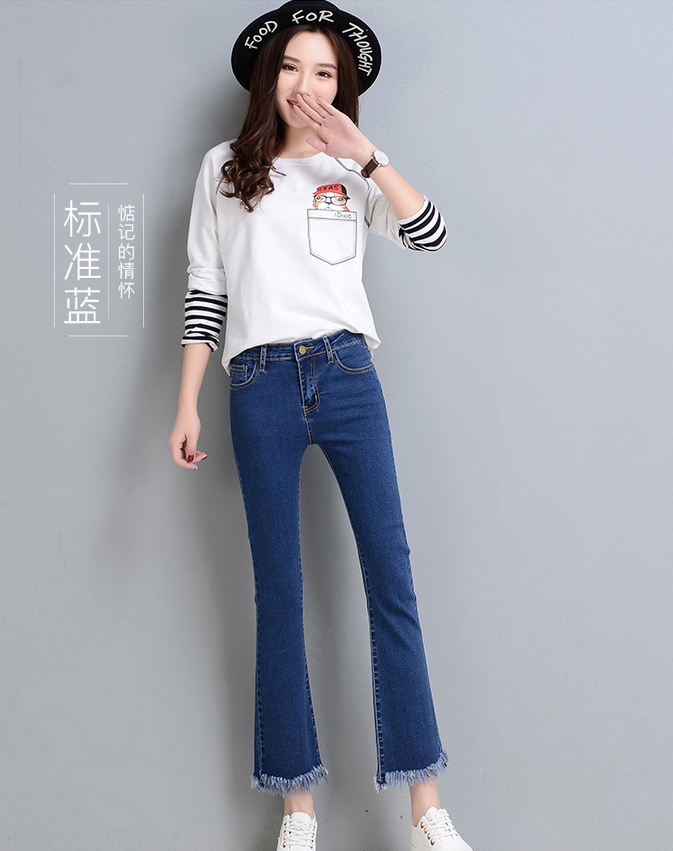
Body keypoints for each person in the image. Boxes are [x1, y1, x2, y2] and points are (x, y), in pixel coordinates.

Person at [169, 3, 473, 849]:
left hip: (345, 375)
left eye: (325, 72)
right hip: (257, 381)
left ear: (342, 88)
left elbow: (429, 233)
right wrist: (187, 401)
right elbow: (205, 288)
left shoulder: (351, 166)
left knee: (391, 579)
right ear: (268, 76)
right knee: (278, 590)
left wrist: (366, 154)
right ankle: (296, 811)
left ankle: (426, 809)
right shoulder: (224, 168)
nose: (306, 84)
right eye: (293, 66)